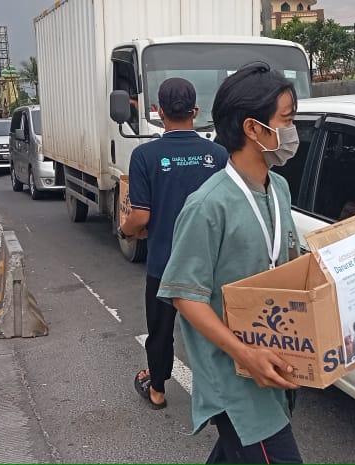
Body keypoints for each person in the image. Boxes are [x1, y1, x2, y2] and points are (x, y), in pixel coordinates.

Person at [157, 63, 303, 464]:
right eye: (286, 121)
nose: (292, 133)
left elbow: (289, 259)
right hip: (235, 377)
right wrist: (245, 354)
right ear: (253, 129)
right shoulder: (207, 205)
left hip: (275, 362)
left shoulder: (279, 188)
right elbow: (184, 295)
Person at [119, 77, 228, 410]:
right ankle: (222, 393)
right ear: (195, 111)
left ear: (158, 111)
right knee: (212, 329)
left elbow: (140, 217)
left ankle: (158, 389)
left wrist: (125, 232)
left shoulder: (145, 156)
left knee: (161, 330)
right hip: (209, 264)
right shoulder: (218, 154)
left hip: (165, 264)